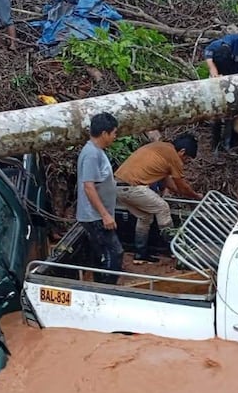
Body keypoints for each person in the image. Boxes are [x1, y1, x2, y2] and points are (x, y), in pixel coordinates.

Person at [115, 134, 202, 264]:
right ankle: (174, 249)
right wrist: (196, 196)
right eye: (187, 159)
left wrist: (181, 192)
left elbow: (167, 182)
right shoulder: (173, 157)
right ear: (182, 151)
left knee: (145, 217)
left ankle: (140, 254)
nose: (185, 162)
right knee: (163, 208)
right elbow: (181, 185)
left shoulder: (161, 148)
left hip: (118, 186)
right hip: (134, 187)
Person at [77, 112, 124, 283]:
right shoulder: (92, 154)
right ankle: (107, 288)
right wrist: (105, 215)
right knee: (114, 252)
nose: (115, 136)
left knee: (100, 253)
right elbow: (88, 187)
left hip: (96, 214)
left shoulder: (96, 151)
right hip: (95, 216)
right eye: (114, 133)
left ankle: (100, 285)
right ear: (104, 133)